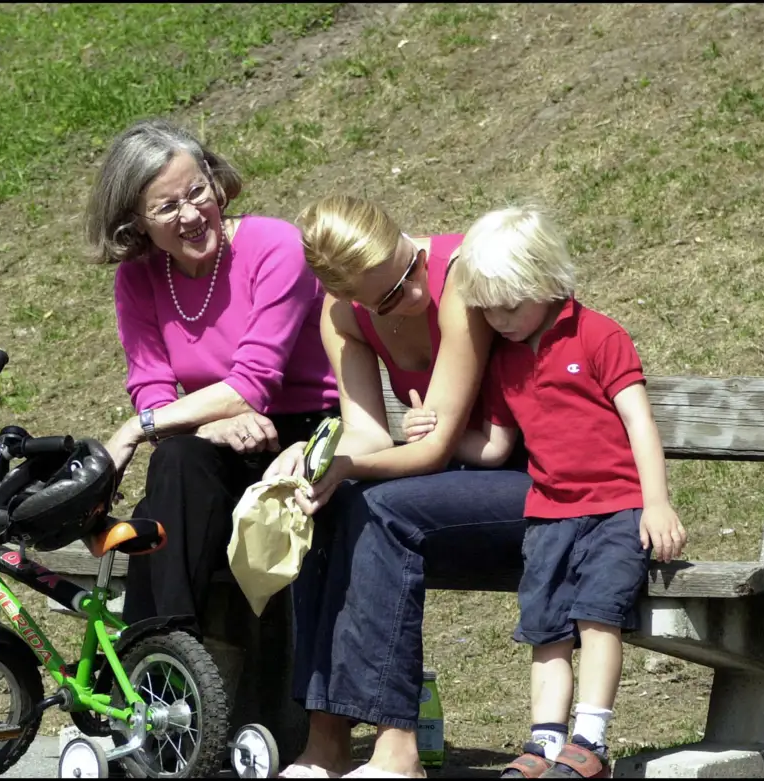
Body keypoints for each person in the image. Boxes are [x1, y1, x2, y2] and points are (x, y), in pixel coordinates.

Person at [263, 195, 532, 779]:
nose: (414, 294)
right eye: (388, 296)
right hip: (448, 486)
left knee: (381, 509)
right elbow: (369, 435)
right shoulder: (341, 318)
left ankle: (397, 749)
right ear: (349, 298)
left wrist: (349, 467)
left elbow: (435, 447)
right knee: (322, 506)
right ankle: (326, 744)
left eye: (409, 268)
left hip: (531, 482)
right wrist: (316, 459)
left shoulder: (458, 275)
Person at [442, 206, 688, 779]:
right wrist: (445, 434)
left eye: (510, 306)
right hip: (549, 516)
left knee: (597, 619)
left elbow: (639, 424)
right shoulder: (505, 359)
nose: (499, 321)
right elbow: (497, 447)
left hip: (615, 512)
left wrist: (656, 502)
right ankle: (544, 743)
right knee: (546, 629)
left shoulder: (598, 335)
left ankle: (590, 740)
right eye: (488, 309)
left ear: (547, 282)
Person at [85, 117, 339, 626]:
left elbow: (252, 385)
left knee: (169, 481)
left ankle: (158, 670)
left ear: (212, 177)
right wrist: (207, 425)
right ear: (136, 224)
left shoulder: (275, 246)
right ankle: (169, 658)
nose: (191, 214)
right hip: (219, 437)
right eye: (166, 207)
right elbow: (151, 386)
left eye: (197, 192)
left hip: (306, 438)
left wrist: (137, 429)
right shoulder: (138, 278)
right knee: (178, 464)